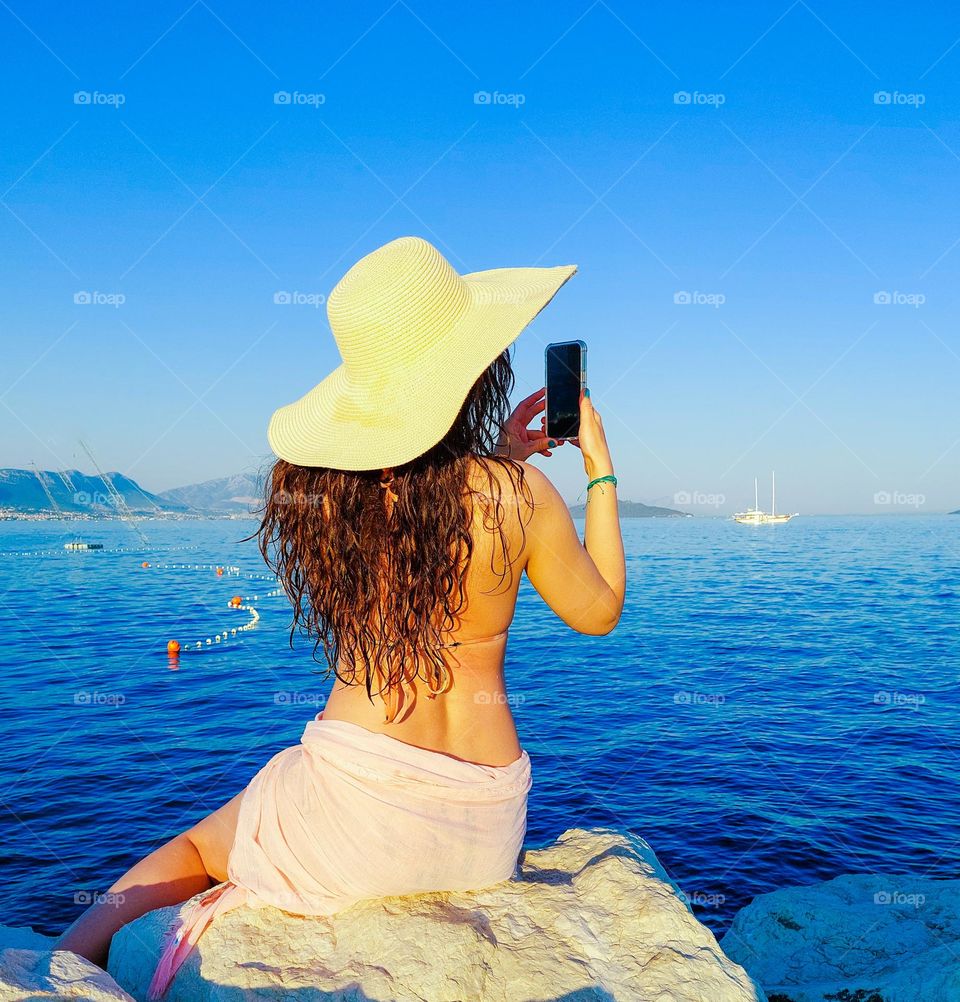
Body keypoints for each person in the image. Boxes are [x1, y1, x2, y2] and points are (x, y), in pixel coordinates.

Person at [53, 235, 625, 997]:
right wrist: (597, 464)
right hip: (483, 828)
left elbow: (423, 498)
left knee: (197, 847)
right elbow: (600, 611)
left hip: (355, 815)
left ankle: (53, 969)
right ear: (472, 369)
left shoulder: (332, 503)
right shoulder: (517, 496)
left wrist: (496, 457)